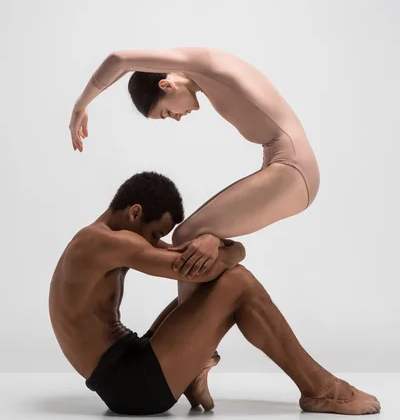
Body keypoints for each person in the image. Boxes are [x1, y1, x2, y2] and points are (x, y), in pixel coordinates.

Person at [49, 171, 381, 416]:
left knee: (218, 285)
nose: (155, 243)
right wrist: (230, 248)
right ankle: (320, 390)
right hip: (132, 389)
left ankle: (191, 372)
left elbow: (188, 260)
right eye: (154, 234)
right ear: (135, 212)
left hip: (131, 363)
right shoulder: (105, 242)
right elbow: (201, 266)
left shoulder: (105, 239)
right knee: (238, 284)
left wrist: (216, 247)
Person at [68, 47, 320, 310]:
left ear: (166, 85)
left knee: (187, 235)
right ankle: (203, 333)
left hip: (292, 166)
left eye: (166, 112)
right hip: (285, 166)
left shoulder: (202, 63)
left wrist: (80, 106)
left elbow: (118, 60)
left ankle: (193, 346)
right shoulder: (205, 71)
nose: (176, 118)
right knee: (196, 238)